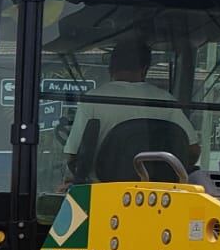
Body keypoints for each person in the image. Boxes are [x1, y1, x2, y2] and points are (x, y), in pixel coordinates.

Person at [63, 37, 199, 181]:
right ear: (145, 69)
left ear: (111, 67)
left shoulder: (92, 99)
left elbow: (73, 155)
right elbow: (193, 150)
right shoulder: (164, 100)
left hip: (103, 193)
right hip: (157, 195)